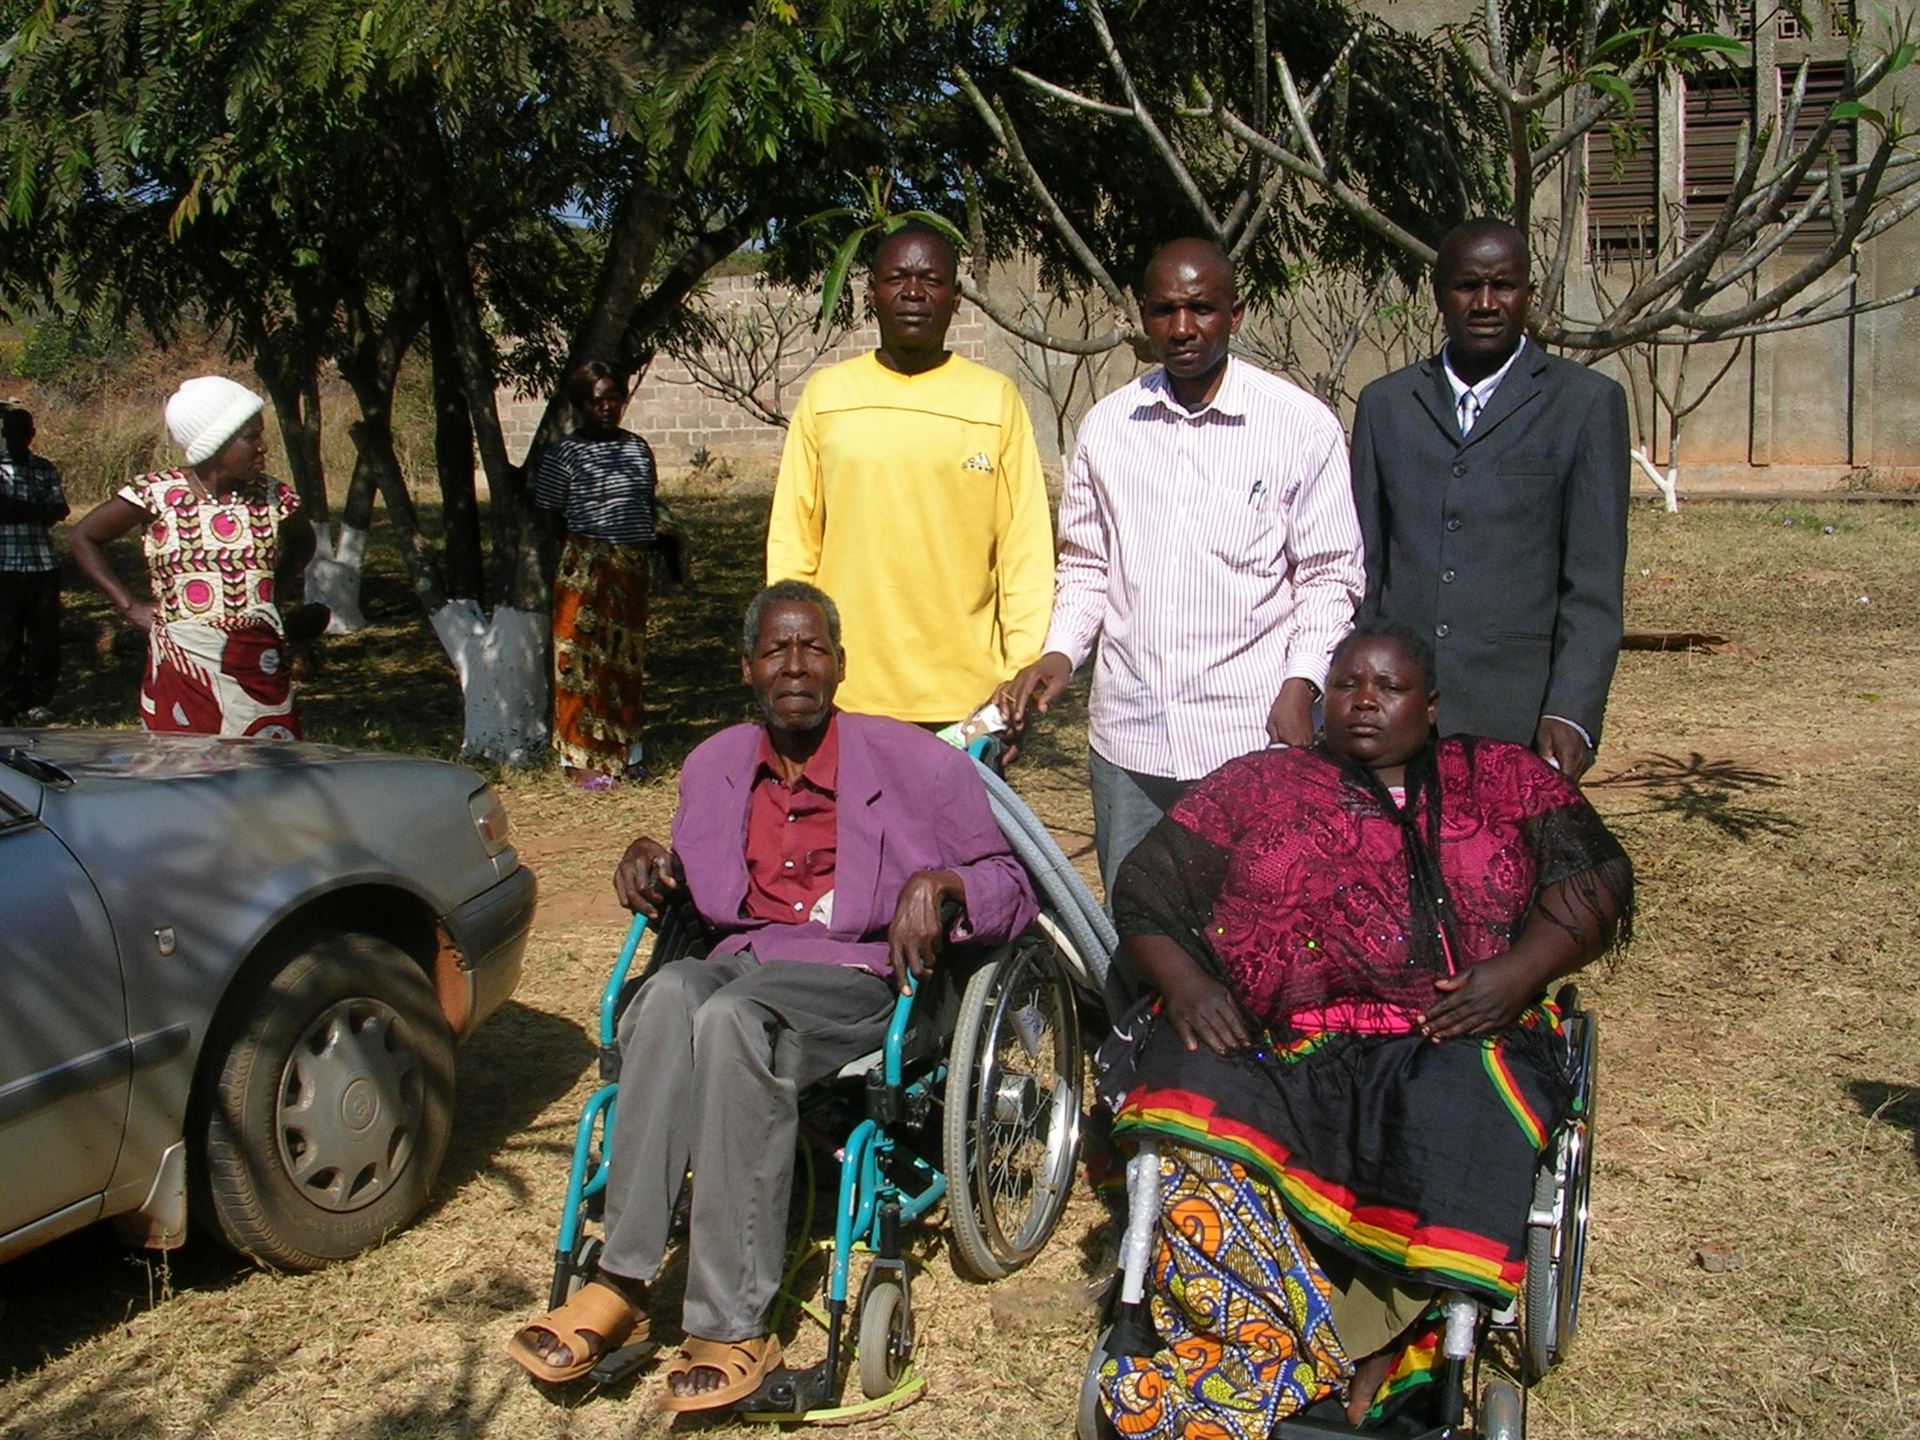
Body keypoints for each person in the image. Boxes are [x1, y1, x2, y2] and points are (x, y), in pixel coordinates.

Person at [507, 580, 1038, 1411]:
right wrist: (651, 859)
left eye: (813, 647)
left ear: (840, 664)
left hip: (855, 978)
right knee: (671, 993)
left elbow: (1012, 885)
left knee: (729, 1016)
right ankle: (620, 1280)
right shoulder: (715, 765)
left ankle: (733, 1323)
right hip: (742, 960)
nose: (795, 665)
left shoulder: (919, 765)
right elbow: (697, 885)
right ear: (747, 668)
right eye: (776, 650)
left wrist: (944, 885)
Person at [1096, 618, 1632, 1438]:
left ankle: (1384, 1342)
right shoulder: (1261, 783)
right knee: (1189, 1086)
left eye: (1390, 686)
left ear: (1432, 704)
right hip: (1283, 1039)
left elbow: (1595, 873)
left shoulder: (1498, 777)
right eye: (1346, 685)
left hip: (1448, 1034)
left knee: (1466, 1107)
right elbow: (1147, 889)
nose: (1365, 701)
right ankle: (1267, 1342)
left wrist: (1520, 972)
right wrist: (1189, 983)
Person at [998, 237, 1364, 895]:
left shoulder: (1299, 427)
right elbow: (1087, 565)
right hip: (1129, 740)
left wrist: (1303, 680)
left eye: (1202, 308)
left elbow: (1330, 574)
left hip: (1250, 735)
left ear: (1236, 314)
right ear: (1144, 316)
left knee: (1254, 921)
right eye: (1164, 310)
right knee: (1139, 920)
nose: (1183, 328)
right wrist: (1060, 652)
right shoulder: (1110, 427)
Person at [1350, 217, 1630, 783]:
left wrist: (1570, 712)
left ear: (1528, 292)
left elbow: (1593, 587)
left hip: (1518, 713)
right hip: (1400, 715)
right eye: (1466, 286)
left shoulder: (1584, 404)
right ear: (1438, 294)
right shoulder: (1386, 405)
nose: (1485, 303)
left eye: (1503, 285)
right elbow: (1366, 570)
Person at [766, 223, 1054, 726]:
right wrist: (796, 659)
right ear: (871, 295)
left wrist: (1018, 671)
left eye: (931, 279)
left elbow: (1023, 549)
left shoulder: (994, 401)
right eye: (897, 278)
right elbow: (794, 541)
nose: (914, 292)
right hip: (847, 693)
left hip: (966, 699)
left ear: (956, 298)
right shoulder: (829, 397)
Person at [68, 377, 319, 738]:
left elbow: (303, 540)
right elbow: (83, 537)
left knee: (268, 759)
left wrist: (273, 594)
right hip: (184, 667)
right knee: (186, 760)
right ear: (216, 443)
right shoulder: (157, 494)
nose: (263, 447)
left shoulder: (272, 495)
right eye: (251, 437)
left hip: (258, 665)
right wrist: (130, 607)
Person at [535, 360, 658, 789]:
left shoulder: (637, 449)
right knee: (581, 664)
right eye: (596, 400)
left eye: (614, 399)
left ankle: (627, 755)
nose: (607, 407)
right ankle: (582, 761)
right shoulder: (563, 454)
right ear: (580, 405)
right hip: (585, 570)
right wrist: (589, 546)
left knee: (625, 663)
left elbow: (646, 503)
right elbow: (549, 514)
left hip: (630, 570)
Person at [0, 406, 68, 725]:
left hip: (42, 563)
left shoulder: (44, 468)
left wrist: (17, 508)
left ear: (32, 434)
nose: (17, 437)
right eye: (11, 430)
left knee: (43, 638)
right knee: (6, 638)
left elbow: (59, 510)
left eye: (22, 431)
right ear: (4, 433)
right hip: (5, 564)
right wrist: (35, 510)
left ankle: (36, 700)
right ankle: (6, 702)